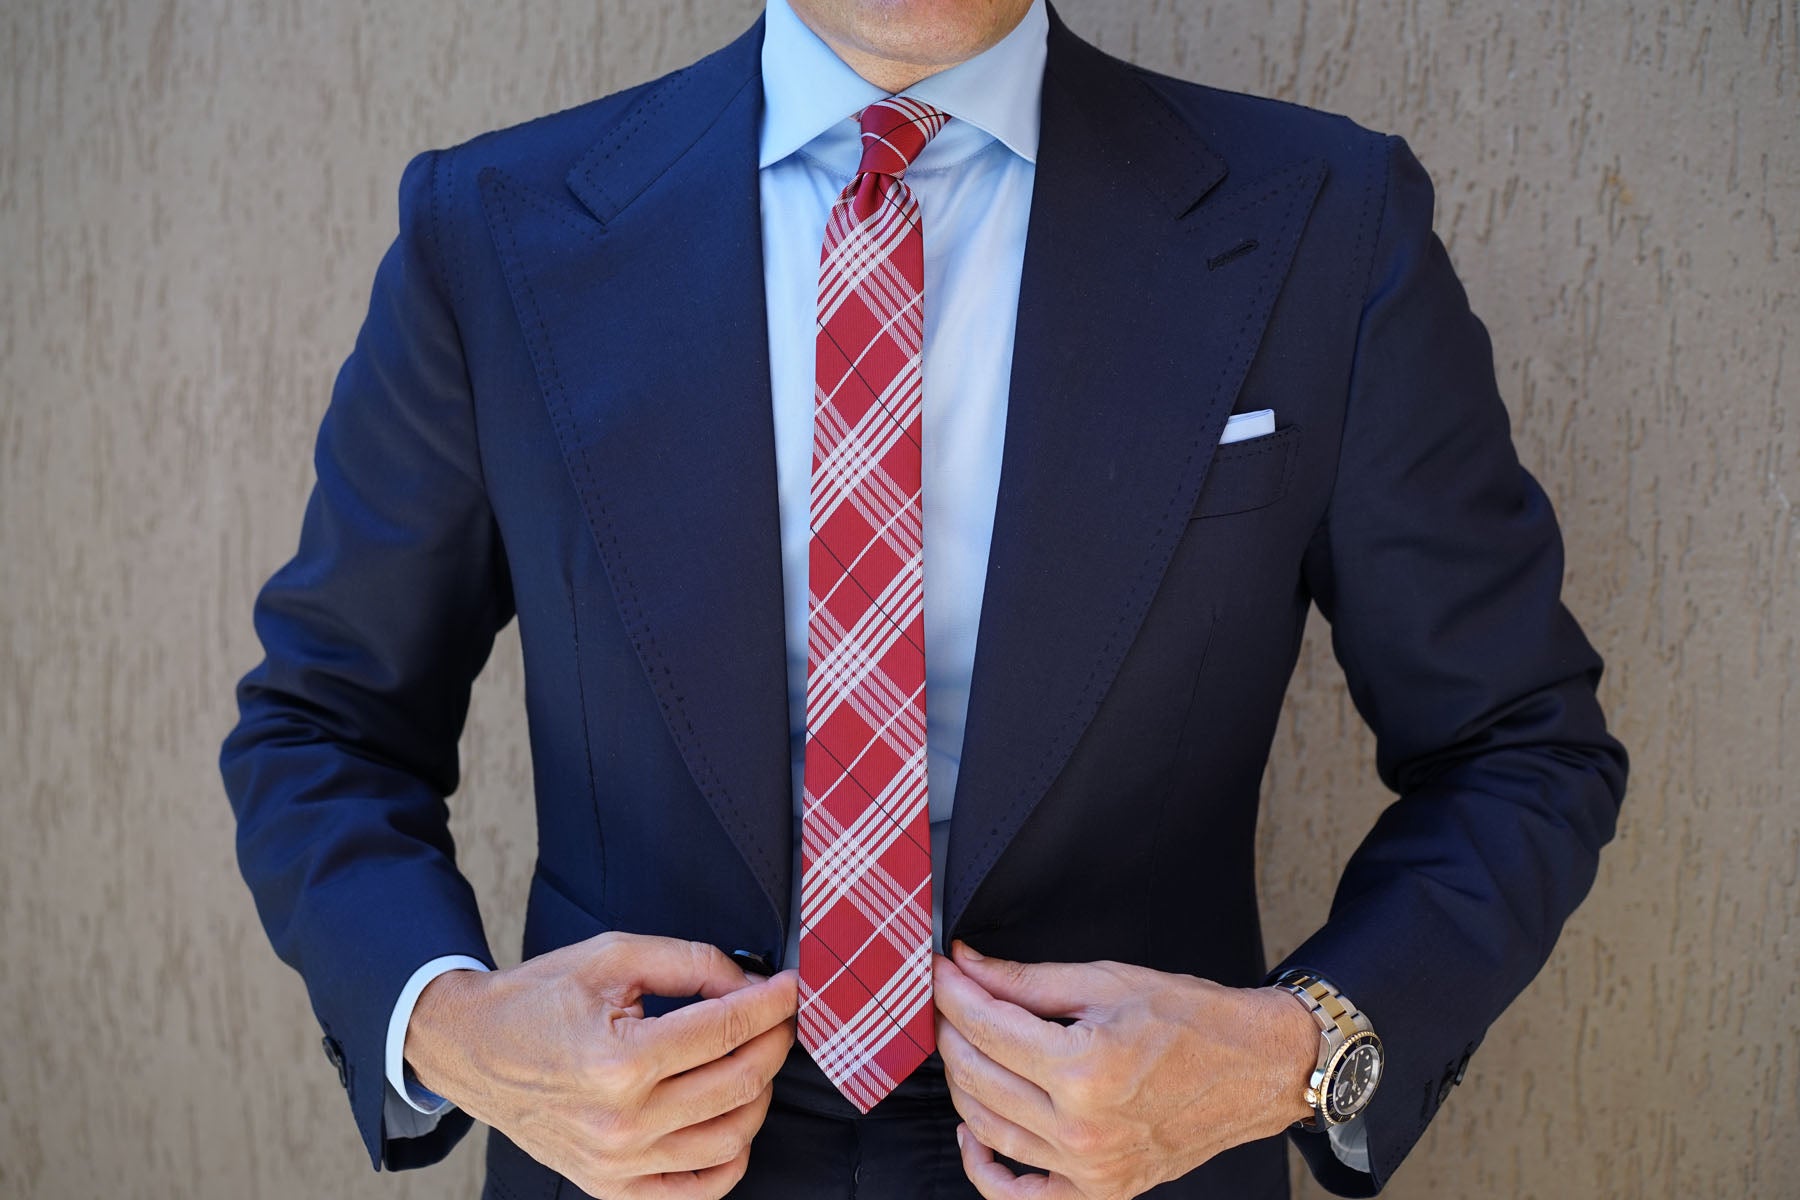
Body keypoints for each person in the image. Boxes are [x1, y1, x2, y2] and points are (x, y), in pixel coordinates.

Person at [219, 0, 1629, 1196]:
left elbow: (1518, 746)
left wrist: (1295, 1052)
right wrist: (455, 1029)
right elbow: (325, 725)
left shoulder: (1327, 224)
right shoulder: (495, 233)